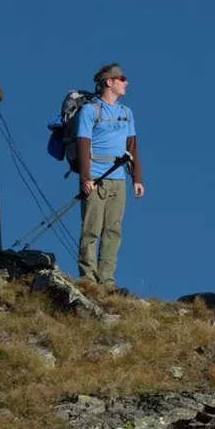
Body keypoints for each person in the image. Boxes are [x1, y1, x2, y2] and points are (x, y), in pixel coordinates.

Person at [76, 63, 145, 287]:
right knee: (91, 228)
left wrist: (136, 178)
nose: (126, 83)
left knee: (113, 230)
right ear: (109, 82)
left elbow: (132, 147)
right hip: (95, 178)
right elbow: (83, 144)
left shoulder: (127, 113)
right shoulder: (90, 110)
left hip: (118, 180)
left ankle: (107, 280)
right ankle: (88, 278)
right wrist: (86, 178)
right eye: (122, 79)